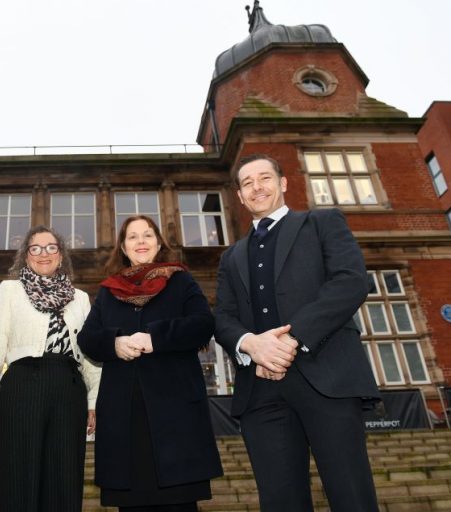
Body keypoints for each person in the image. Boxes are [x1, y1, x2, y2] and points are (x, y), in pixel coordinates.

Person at [213, 153, 380, 511]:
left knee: (350, 494)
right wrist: (251, 344)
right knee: (280, 501)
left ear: (283, 183)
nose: (257, 187)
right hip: (260, 391)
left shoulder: (322, 222)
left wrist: (293, 338)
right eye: (247, 183)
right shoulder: (231, 257)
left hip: (328, 379)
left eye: (264, 178)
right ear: (240, 197)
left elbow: (351, 282)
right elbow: (223, 316)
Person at [78, 215, 222, 512]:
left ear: (158, 243)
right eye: (133, 237)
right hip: (125, 416)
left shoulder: (180, 280)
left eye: (147, 235)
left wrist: (156, 338)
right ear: (123, 247)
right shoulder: (109, 290)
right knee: (132, 503)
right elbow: (87, 338)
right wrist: (114, 343)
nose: (140, 242)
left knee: (179, 503)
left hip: (175, 414)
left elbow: (203, 324)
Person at [0, 226, 101, 512]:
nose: (44, 254)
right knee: (18, 474)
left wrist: (92, 401)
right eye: (35, 248)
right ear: (26, 256)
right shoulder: (10, 290)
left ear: (61, 255)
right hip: (22, 386)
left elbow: (89, 354)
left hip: (69, 389)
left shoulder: (80, 298)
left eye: (51, 247)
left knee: (64, 475)